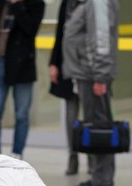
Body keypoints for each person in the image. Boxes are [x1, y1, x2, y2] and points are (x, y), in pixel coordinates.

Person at [61, 0, 119, 186]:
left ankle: (101, 179)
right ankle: (104, 175)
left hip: (93, 73)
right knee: (99, 123)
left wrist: (100, 76)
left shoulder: (97, 2)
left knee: (99, 124)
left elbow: (101, 38)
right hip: (90, 72)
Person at [0, 0, 45, 158]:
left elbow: (30, 29)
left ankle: (17, 153)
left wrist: (18, 6)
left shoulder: (36, 4)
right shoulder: (1, 2)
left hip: (21, 66)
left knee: (22, 114)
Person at [48, 0, 81, 176]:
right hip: (68, 66)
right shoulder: (66, 3)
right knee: (71, 115)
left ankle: (93, 153)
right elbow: (59, 32)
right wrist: (54, 63)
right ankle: (73, 155)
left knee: (91, 117)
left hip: (87, 66)